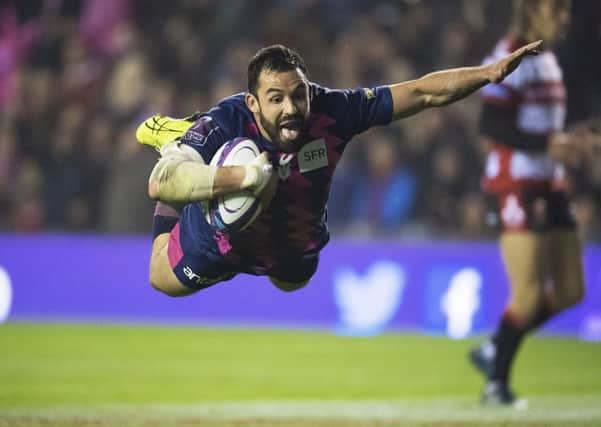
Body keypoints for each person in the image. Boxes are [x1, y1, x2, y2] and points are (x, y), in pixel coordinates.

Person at [135, 42, 540, 297]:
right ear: (253, 104)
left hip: (293, 242)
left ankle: (198, 157)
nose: (291, 108)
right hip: (217, 241)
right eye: (275, 99)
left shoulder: (334, 110)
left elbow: (423, 92)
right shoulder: (226, 121)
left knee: (292, 283)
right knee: (160, 277)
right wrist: (243, 179)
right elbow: (161, 183)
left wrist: (488, 74)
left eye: (298, 95)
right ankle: (177, 140)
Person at [469, 0, 594, 408]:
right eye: (556, 11)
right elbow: (490, 124)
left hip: (549, 182)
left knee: (572, 290)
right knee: (527, 293)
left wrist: (572, 140)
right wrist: (548, 144)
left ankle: (496, 346)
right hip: (516, 184)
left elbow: (541, 126)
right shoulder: (510, 55)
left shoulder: (548, 59)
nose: (564, 18)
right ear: (533, 12)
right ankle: (496, 385)